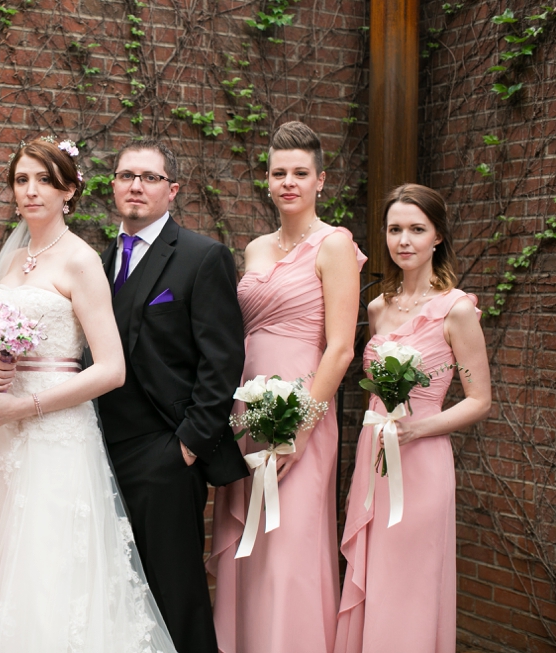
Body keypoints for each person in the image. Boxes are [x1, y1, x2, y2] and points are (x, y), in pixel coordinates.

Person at [0, 138, 178, 652]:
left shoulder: (81, 260)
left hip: (56, 432)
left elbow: (112, 369)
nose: (31, 191)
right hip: (4, 433)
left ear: (69, 190)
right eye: (21, 180)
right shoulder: (14, 257)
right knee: (6, 556)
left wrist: (29, 405)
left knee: (50, 562)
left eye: (44, 180)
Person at [207, 121, 366, 653]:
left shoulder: (335, 244)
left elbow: (341, 347)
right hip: (248, 412)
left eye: (301, 172)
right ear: (267, 181)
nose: (289, 182)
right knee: (249, 550)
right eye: (279, 173)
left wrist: (298, 428)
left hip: (303, 413)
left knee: (290, 544)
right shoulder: (254, 249)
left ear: (322, 180)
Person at [95, 140, 248, 653]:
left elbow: (222, 360)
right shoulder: (101, 260)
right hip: (97, 454)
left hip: (164, 452)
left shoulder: (203, 258)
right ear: (113, 186)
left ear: (172, 190)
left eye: (150, 177)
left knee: (174, 593)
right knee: (116, 592)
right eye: (125, 176)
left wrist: (187, 446)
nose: (136, 186)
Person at [335, 184, 491, 653]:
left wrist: (418, 428)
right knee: (376, 575)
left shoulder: (457, 310)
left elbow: (479, 399)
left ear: (437, 236)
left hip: (421, 462)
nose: (404, 240)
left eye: (416, 229)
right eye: (395, 229)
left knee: (412, 581)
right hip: (374, 458)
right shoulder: (377, 309)